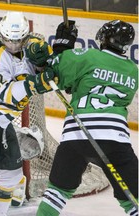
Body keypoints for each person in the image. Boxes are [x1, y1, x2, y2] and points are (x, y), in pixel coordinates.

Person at [0, 11, 77, 216]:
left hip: (3, 122)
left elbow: (52, 72)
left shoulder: (33, 45)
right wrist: (39, 81)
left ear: (25, 36)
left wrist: (59, 49)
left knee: (11, 178)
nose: (13, 45)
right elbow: (9, 94)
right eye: (8, 40)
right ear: (1, 35)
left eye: (18, 40)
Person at [36, 20, 138, 216]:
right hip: (115, 140)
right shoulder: (134, 71)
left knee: (56, 195)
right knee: (132, 199)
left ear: (104, 38)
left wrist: (62, 45)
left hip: (77, 136)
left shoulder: (89, 56)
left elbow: (54, 71)